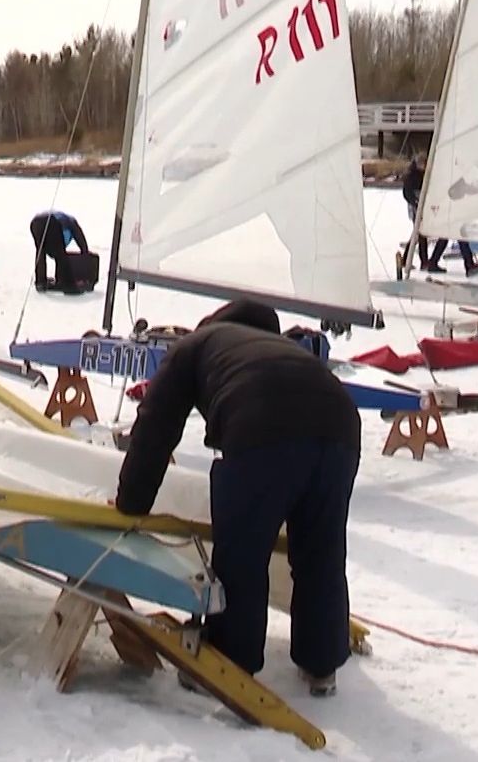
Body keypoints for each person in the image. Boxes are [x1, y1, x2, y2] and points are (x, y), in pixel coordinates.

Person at [113, 299, 359, 698]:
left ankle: (230, 658)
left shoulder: (195, 345)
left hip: (262, 426)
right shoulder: (281, 348)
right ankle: (322, 663)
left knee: (242, 552)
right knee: (321, 552)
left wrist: (130, 506)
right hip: (341, 428)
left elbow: (154, 430)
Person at [399, 154, 475, 276]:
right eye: (423, 164)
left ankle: (428, 261)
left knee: (429, 234)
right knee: (421, 234)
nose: (424, 166)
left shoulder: (429, 175)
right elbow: (407, 192)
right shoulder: (411, 176)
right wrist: (416, 203)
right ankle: (422, 261)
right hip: (417, 207)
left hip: (431, 206)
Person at [30, 209, 92, 292]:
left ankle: (41, 282)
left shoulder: (65, 223)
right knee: (61, 255)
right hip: (52, 221)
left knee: (41, 251)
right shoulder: (72, 223)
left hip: (35, 222)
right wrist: (85, 253)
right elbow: (81, 240)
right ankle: (69, 285)